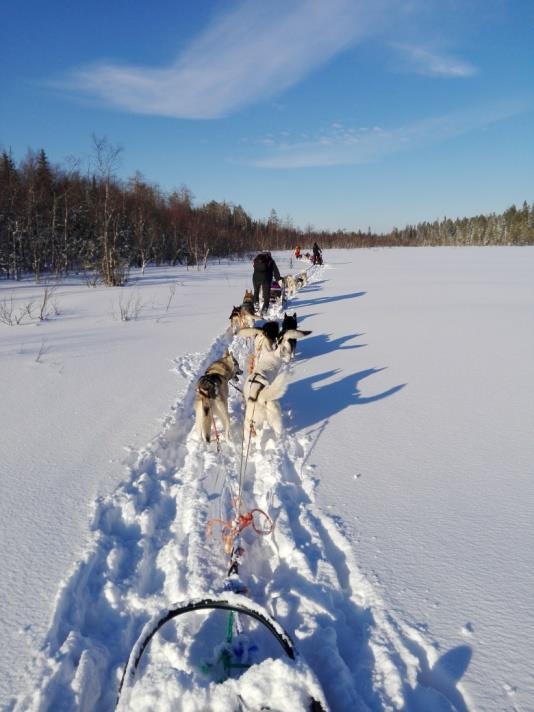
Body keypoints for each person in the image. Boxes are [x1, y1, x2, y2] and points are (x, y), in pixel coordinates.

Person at [252, 251, 281, 316]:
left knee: (256, 291)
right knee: (266, 296)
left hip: (255, 278)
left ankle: (256, 305)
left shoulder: (257, 259)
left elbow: (254, 266)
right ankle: (264, 310)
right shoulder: (271, 260)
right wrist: (278, 279)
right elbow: (276, 271)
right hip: (266, 279)